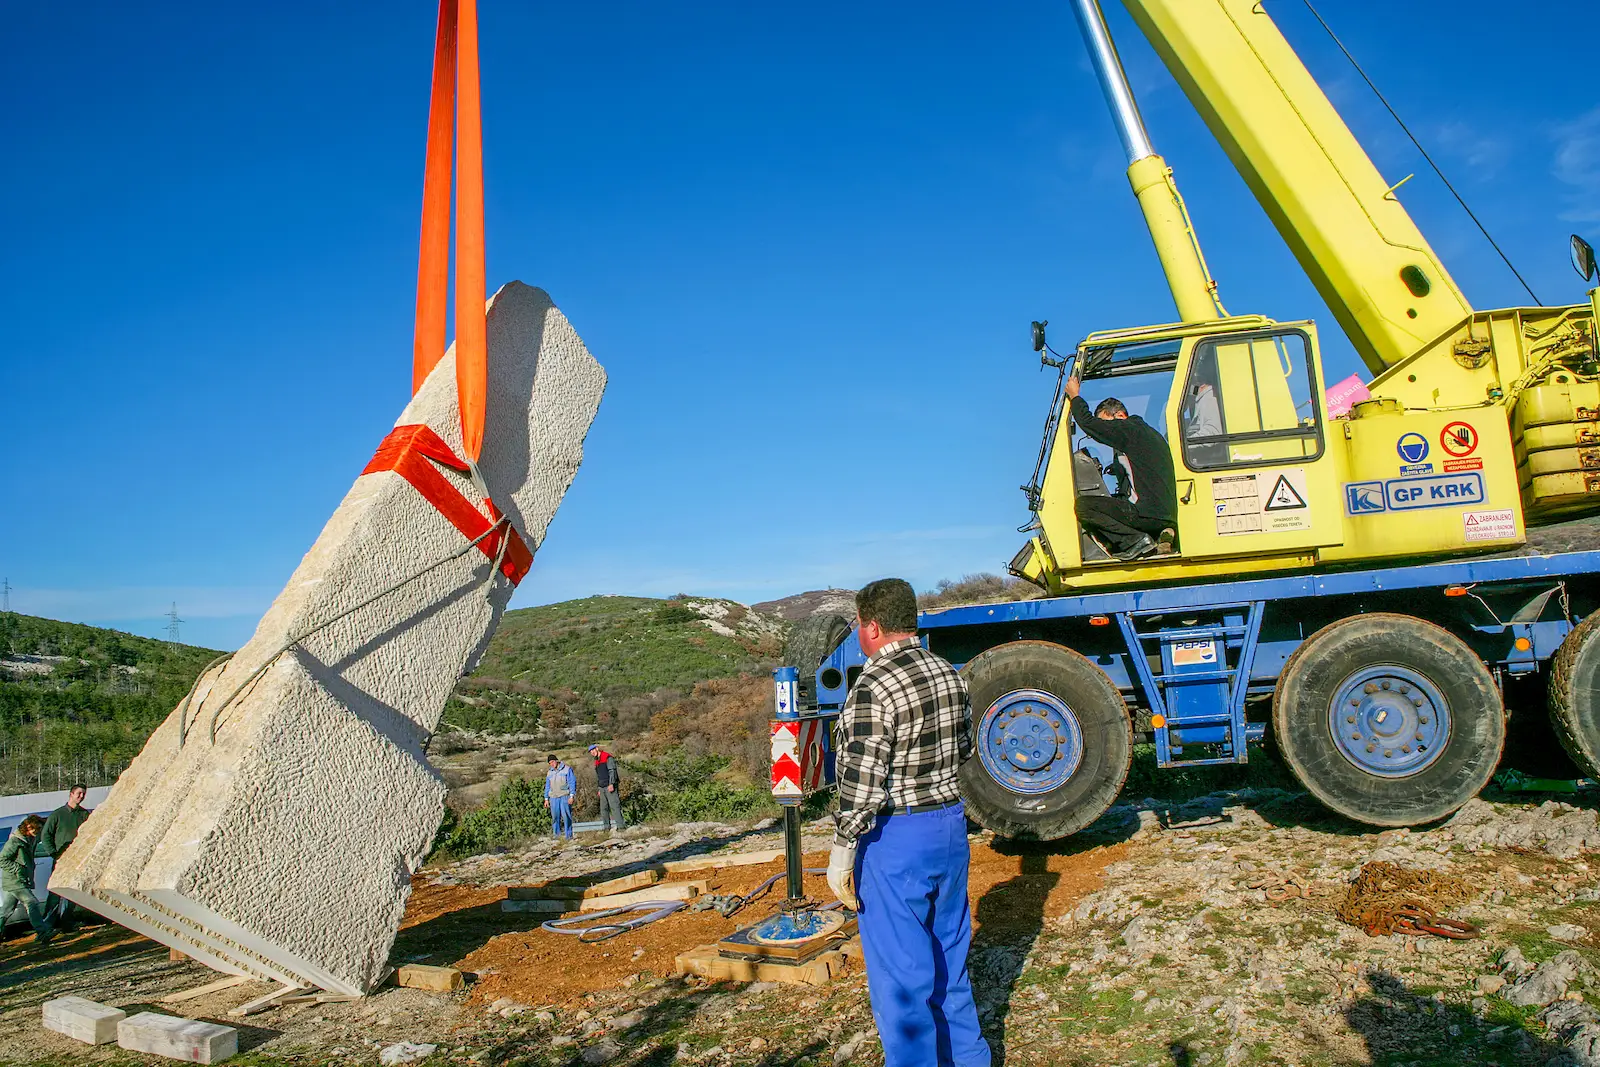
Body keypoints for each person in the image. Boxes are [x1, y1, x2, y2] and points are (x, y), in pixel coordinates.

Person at [827, 578, 990, 1067]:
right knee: (950, 964)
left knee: (903, 980)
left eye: (859, 625)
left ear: (872, 626)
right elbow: (964, 749)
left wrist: (841, 851)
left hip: (896, 836)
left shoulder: (872, 688)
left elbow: (861, 783)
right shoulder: (949, 674)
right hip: (949, 826)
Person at [1065, 375, 1178, 560]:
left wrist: (1075, 396)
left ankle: (1136, 541)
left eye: (1105, 422)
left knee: (1085, 506)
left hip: (1147, 513)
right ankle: (1158, 536)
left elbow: (1088, 424)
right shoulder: (1146, 433)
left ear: (1119, 415)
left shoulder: (1128, 428)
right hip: (1164, 512)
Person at [40, 783, 91, 929]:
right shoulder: (57, 814)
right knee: (56, 891)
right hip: (61, 860)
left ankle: (66, 922)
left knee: (72, 891)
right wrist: (54, 854)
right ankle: (48, 924)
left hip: (77, 860)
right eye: (79, 793)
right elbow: (46, 835)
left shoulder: (84, 814)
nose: (81, 797)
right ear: (71, 794)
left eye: (83, 794)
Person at [0, 815, 54, 946]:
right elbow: (2, 859)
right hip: (15, 881)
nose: (37, 831)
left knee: (6, 910)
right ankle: (42, 932)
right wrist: (18, 869)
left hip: (19, 880)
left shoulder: (30, 839)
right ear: (27, 827)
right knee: (31, 902)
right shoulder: (15, 842)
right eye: (34, 829)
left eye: (38, 828)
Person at [589, 743, 625, 833]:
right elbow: (599, 775)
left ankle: (621, 827)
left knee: (614, 806)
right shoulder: (596, 760)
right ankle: (606, 828)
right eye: (590, 751)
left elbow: (612, 771)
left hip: (610, 786)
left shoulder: (607, 757)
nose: (592, 752)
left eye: (593, 750)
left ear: (597, 748)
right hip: (602, 787)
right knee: (603, 808)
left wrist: (611, 783)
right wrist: (599, 788)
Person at [543, 755, 577, 841]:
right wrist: (546, 798)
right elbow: (547, 786)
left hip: (564, 796)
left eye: (552, 762)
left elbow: (572, 782)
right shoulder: (549, 772)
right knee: (555, 817)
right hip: (553, 797)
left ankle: (568, 836)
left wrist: (572, 796)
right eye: (550, 763)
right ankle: (556, 836)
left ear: (556, 761)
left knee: (566, 816)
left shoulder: (567, 769)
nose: (552, 764)